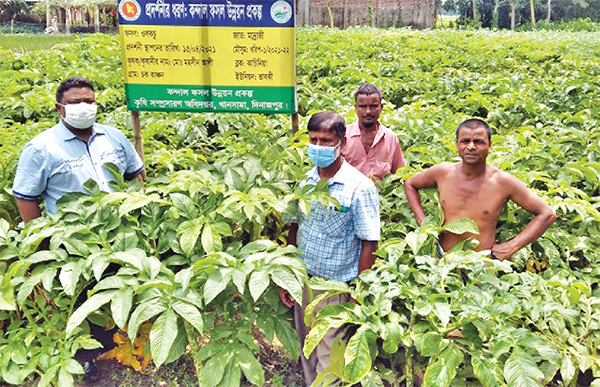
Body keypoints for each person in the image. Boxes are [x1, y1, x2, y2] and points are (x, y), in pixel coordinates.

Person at [280, 111, 380, 386]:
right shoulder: (306, 181)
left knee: (330, 358)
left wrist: (357, 292)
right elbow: (293, 228)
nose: (319, 147)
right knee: (307, 349)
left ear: (342, 142)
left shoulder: (359, 188)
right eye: (313, 140)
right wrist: (287, 277)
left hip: (334, 287)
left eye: (326, 140)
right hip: (303, 280)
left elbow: (369, 243)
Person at [403, 118, 556, 260]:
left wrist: (512, 245)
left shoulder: (503, 182)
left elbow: (547, 213)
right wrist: (422, 220)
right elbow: (410, 184)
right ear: (457, 145)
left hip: (481, 264)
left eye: (478, 142)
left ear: (490, 145)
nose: (471, 147)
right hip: (441, 258)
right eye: (465, 141)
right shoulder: (442, 172)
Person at [13, 76, 144, 223]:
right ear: (59, 108)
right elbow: (25, 198)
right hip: (71, 234)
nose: (83, 107)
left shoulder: (115, 136)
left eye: (88, 101)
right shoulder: (40, 148)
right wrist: (43, 242)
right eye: (75, 102)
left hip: (120, 228)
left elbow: (136, 177)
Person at [342, 83, 404, 180]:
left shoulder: (391, 138)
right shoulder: (343, 136)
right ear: (356, 108)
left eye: (373, 106)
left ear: (381, 108)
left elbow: (399, 174)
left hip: (382, 194)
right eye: (362, 106)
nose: (368, 111)